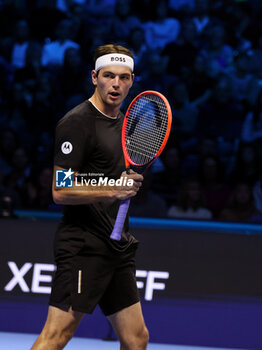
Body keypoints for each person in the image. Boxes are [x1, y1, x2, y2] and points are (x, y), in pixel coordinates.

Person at [30, 44, 148, 350]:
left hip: (116, 244)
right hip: (83, 245)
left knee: (136, 339)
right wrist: (112, 188)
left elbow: (111, 174)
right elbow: (60, 188)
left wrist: (127, 182)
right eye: (108, 76)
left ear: (132, 80)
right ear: (94, 77)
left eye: (123, 77)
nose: (116, 84)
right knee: (56, 336)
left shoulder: (126, 125)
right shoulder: (76, 122)